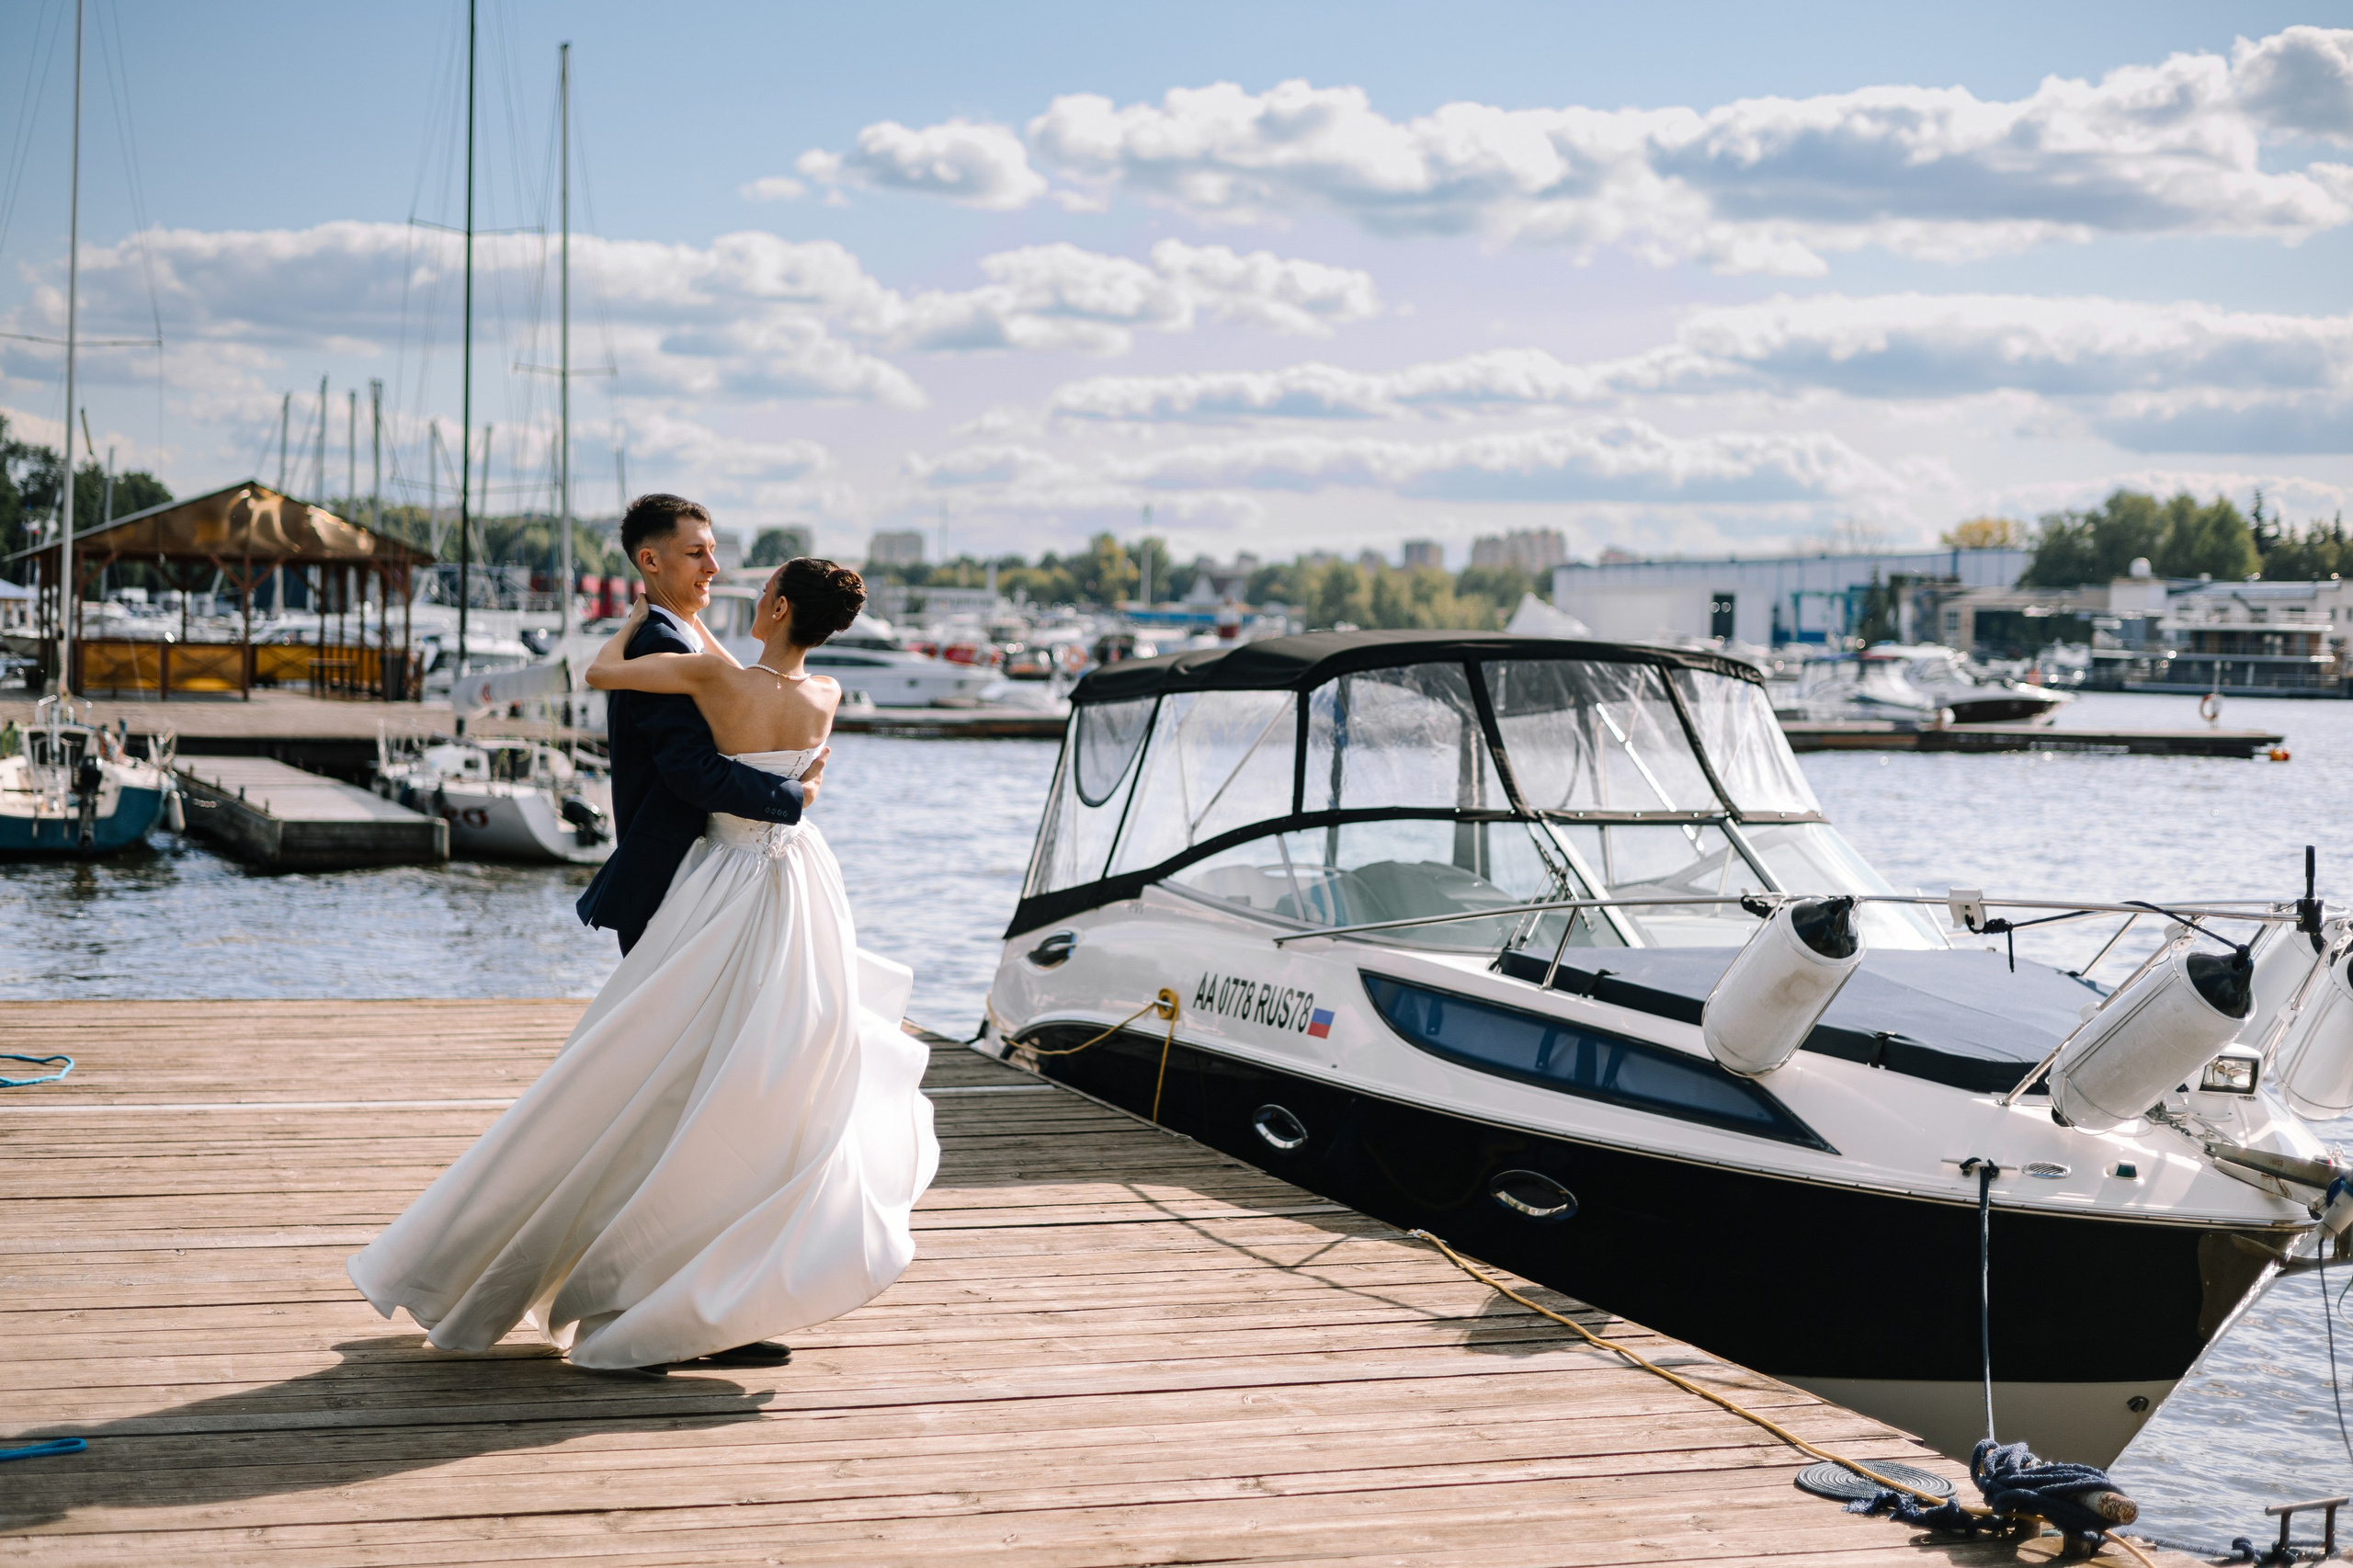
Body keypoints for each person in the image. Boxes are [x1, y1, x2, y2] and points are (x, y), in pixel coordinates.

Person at [347, 520, 938, 1374]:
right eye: (700, 552)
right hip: (799, 888)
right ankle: (685, 1292)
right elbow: (756, 772)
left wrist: (636, 618)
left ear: (772, 606)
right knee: (758, 1080)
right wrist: (795, 793)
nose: (715, 567)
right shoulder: (827, 691)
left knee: (689, 1086)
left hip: (723, 884)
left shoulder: (706, 667)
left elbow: (602, 675)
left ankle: (690, 1297)